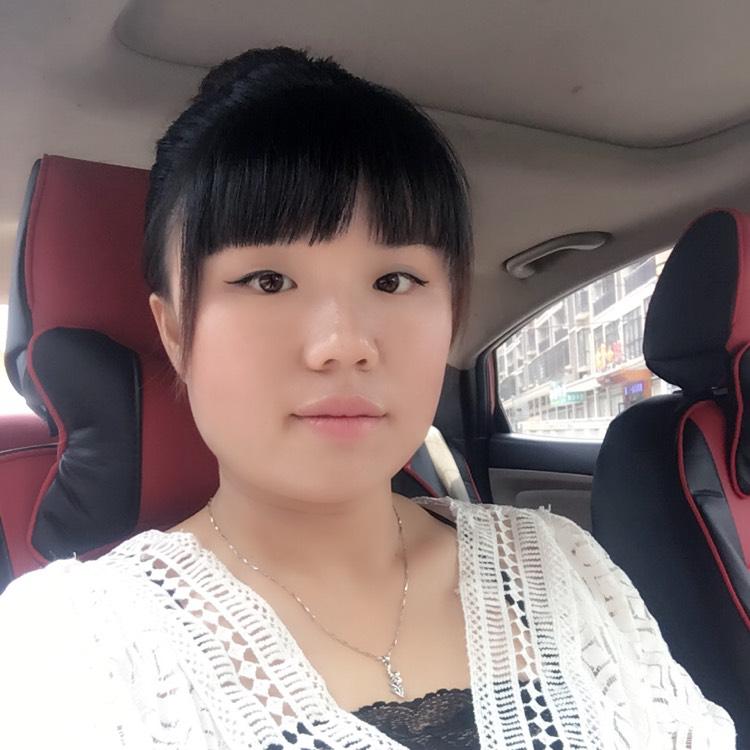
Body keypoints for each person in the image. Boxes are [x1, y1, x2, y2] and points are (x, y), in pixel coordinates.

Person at [0, 47, 736, 749]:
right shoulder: (68, 650)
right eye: (267, 281)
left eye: (394, 280)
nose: (343, 343)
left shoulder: (562, 564)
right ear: (174, 331)